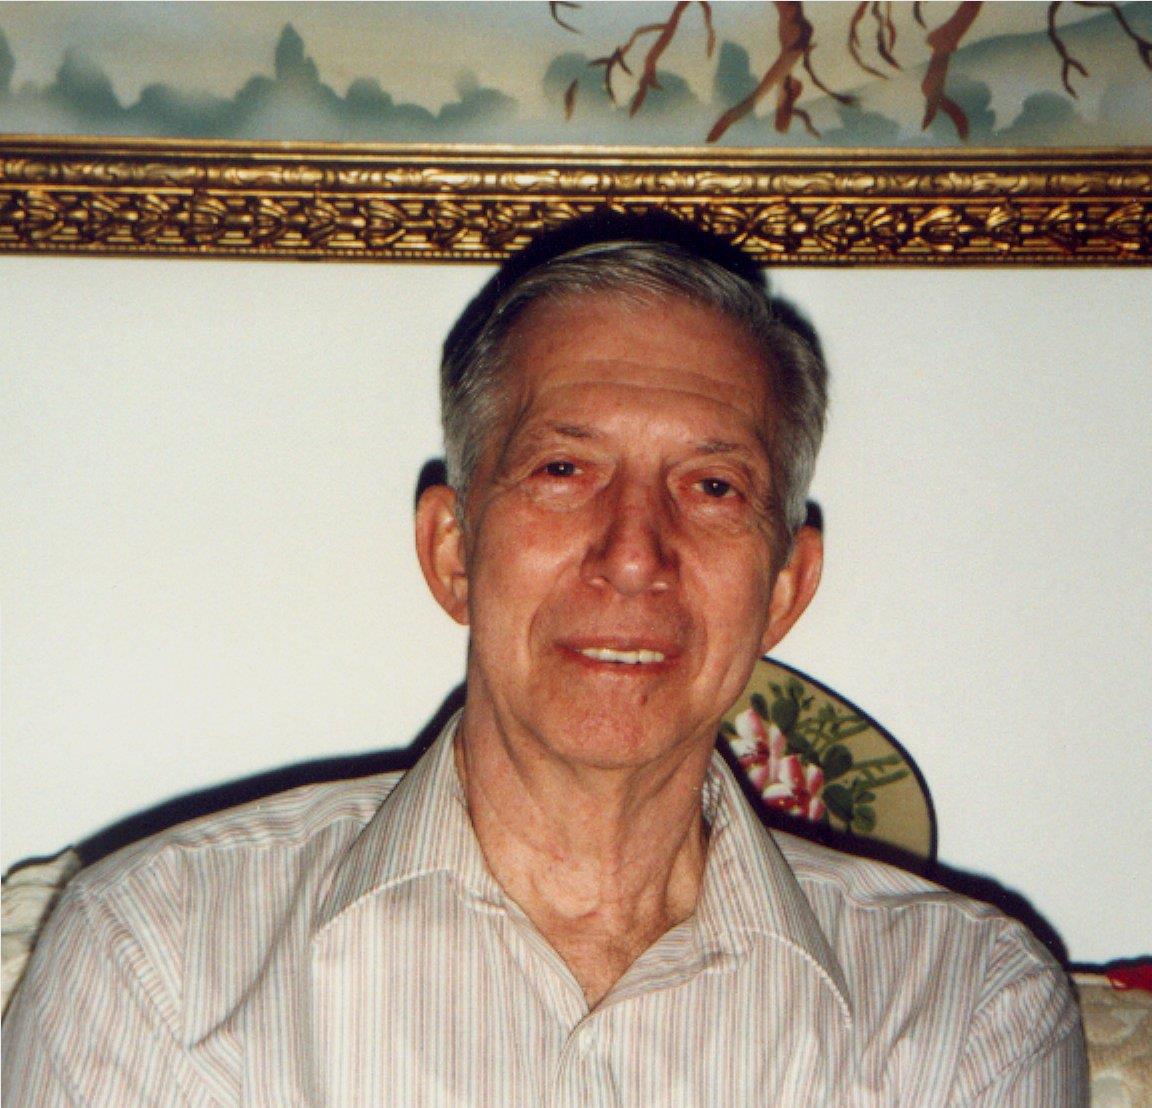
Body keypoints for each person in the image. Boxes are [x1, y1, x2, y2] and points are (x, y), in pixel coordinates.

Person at [2, 215, 1086, 1104]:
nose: (633, 553)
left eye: (712, 487)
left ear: (786, 586)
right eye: (564, 468)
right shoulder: (160, 960)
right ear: (453, 550)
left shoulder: (961, 1004)